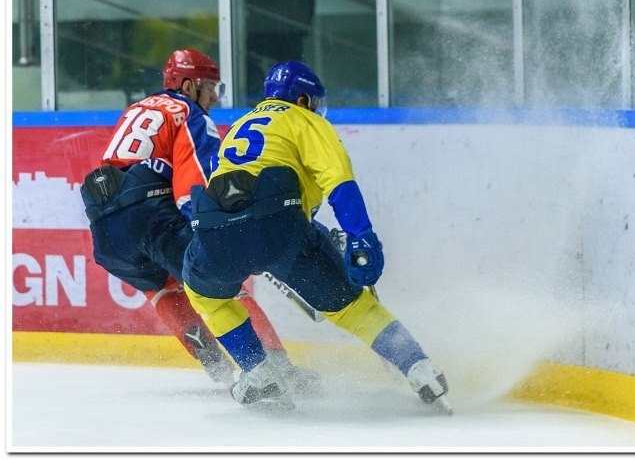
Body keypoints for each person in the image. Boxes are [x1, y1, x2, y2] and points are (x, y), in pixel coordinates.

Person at [182, 60, 452, 413]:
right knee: (354, 308)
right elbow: (339, 182)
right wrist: (360, 235)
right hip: (281, 229)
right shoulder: (305, 120)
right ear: (304, 99)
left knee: (207, 295)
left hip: (217, 233)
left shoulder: (238, 126)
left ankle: (258, 372)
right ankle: (419, 369)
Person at [80, 49, 317, 391]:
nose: (214, 98)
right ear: (189, 85)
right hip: (151, 214)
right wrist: (219, 233)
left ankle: (218, 368)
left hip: (106, 230)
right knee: (219, 279)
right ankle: (277, 371)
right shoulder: (189, 113)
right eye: (211, 87)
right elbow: (192, 186)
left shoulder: (136, 109)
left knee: (162, 290)